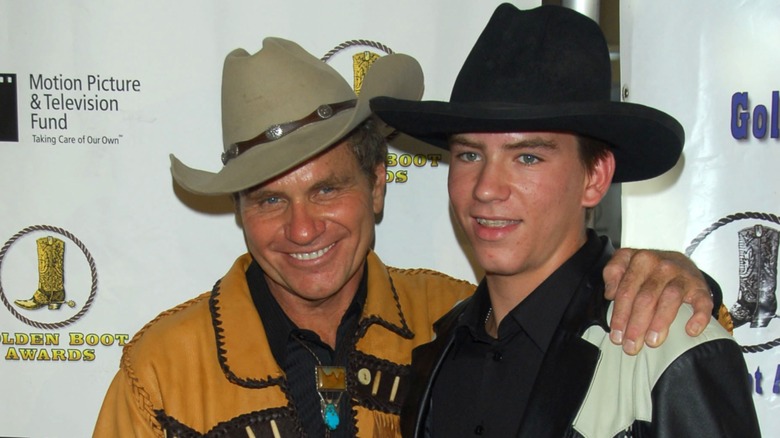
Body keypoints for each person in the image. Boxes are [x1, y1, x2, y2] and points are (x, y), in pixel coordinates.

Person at [94, 36, 720, 437]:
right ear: (239, 210)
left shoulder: (444, 322)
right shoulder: (160, 370)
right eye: (269, 200)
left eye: (326, 189)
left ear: (377, 184)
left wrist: (681, 282)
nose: (303, 228)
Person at [371, 4, 761, 437]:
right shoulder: (437, 352)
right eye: (469, 154)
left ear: (594, 178)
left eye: (527, 157)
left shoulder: (670, 348)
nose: (486, 187)